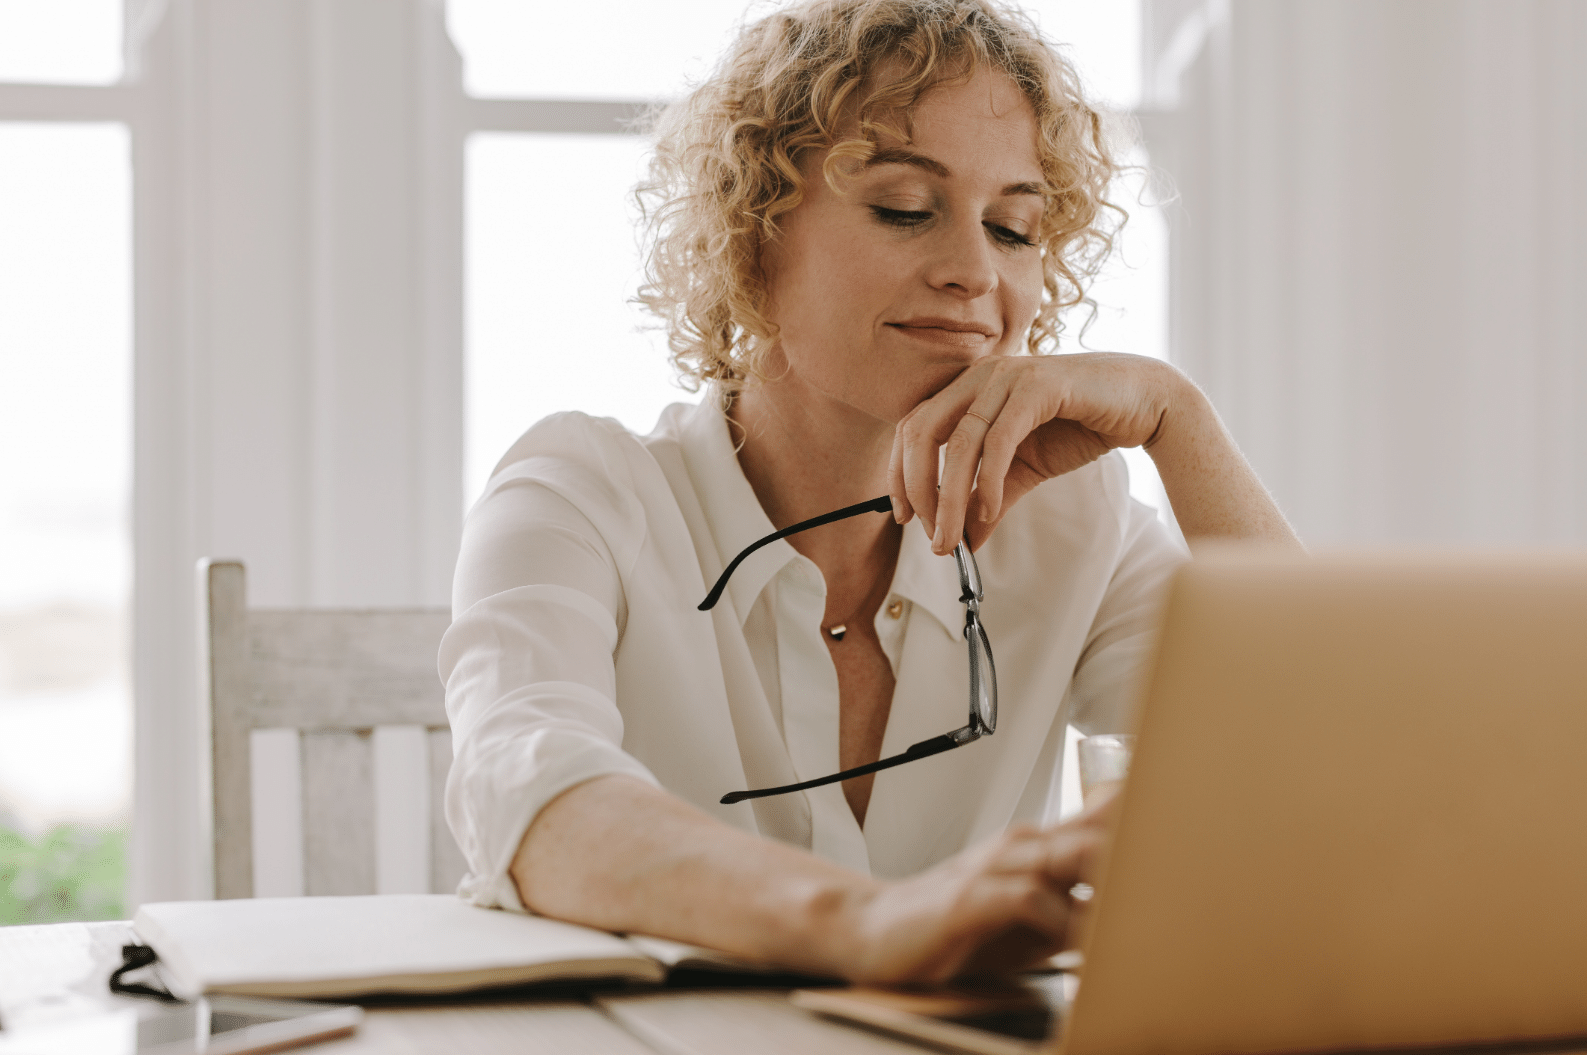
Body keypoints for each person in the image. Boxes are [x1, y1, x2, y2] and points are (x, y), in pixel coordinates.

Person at [439, 0, 1299, 984]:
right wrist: (873, 922)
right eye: (902, 207)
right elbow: (529, 792)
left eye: (1014, 228)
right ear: (751, 231)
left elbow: (1316, 761)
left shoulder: (1073, 521)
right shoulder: (580, 494)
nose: (976, 273)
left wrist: (1177, 422)